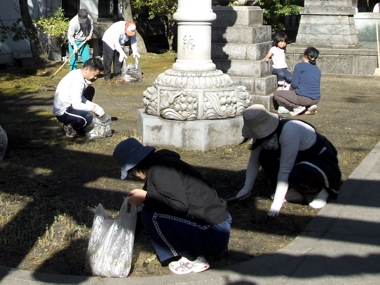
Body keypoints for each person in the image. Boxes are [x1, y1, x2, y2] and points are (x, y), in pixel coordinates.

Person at [113, 138, 232, 275]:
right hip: (214, 228)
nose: (135, 177)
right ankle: (192, 251)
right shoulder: (158, 166)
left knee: (152, 216)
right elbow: (156, 203)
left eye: (132, 173)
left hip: (214, 232)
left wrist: (145, 197)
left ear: (136, 167)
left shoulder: (161, 170)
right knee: (149, 210)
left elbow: (178, 205)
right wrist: (122, 232)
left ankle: (192, 259)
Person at [235, 104, 341, 216]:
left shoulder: (289, 131)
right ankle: (293, 190)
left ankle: (321, 190)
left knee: (297, 173)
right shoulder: (259, 133)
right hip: (297, 160)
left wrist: (277, 203)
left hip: (319, 159)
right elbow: (254, 160)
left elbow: (285, 169)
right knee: (264, 156)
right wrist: (246, 188)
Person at [53, 58, 110, 139]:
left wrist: (95, 106)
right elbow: (77, 104)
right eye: (95, 75)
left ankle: (77, 118)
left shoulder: (77, 73)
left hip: (71, 104)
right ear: (87, 69)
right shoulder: (78, 81)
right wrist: (93, 108)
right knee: (87, 118)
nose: (95, 78)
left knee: (90, 90)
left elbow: (81, 98)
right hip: (63, 111)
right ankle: (69, 126)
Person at [273, 47, 321, 116]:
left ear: (305, 56)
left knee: (277, 94)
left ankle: (297, 107)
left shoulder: (299, 66)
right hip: (316, 98)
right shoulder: (317, 69)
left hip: (304, 98)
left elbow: (295, 84)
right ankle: (309, 106)